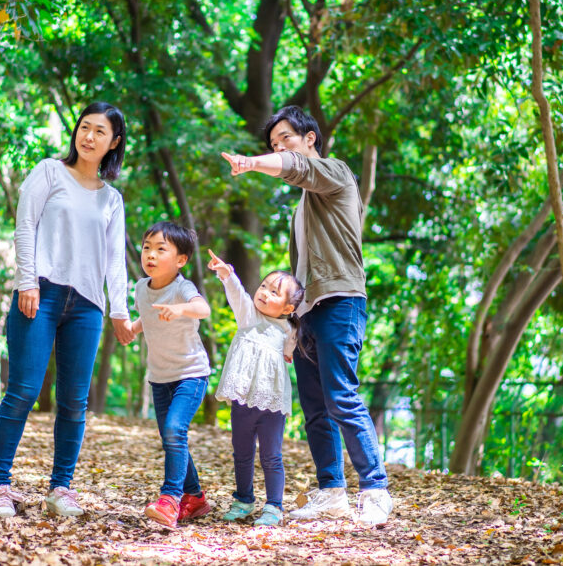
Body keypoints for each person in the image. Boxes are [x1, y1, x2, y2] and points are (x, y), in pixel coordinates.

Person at [220, 105, 393, 527]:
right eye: (272, 144)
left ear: (309, 138)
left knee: (341, 397)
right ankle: (332, 491)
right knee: (316, 408)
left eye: (285, 139)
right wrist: (291, 326)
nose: (279, 147)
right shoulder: (303, 205)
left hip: (340, 301)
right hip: (308, 313)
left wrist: (253, 162)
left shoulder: (334, 174)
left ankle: (375, 490)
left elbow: (298, 169)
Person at [0, 102, 133, 519]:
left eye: (99, 132)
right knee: (24, 391)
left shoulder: (112, 199)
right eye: (84, 127)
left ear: (114, 143)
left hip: (86, 306)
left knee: (74, 402)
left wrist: (119, 311)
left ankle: (61, 488)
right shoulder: (49, 172)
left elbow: (113, 261)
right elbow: (25, 224)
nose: (88, 137)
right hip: (42, 293)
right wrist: (27, 281)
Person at [123, 221, 212, 529]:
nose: (151, 254)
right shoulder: (139, 288)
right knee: (170, 437)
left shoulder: (181, 288)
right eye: (147, 247)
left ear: (180, 260)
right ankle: (196, 498)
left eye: (161, 249)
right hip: (159, 377)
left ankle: (170, 499)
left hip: (191, 374)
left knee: (175, 430)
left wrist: (180, 310)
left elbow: (203, 309)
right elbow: (146, 317)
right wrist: (132, 329)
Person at [207, 249, 304, 527]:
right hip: (243, 400)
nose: (264, 293)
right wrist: (227, 274)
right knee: (242, 451)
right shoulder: (249, 316)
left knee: (271, 455)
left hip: (272, 403)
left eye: (274, 292)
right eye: (263, 286)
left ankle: (274, 506)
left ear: (288, 308)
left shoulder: (289, 330)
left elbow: (292, 354)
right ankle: (244, 499)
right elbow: (237, 294)